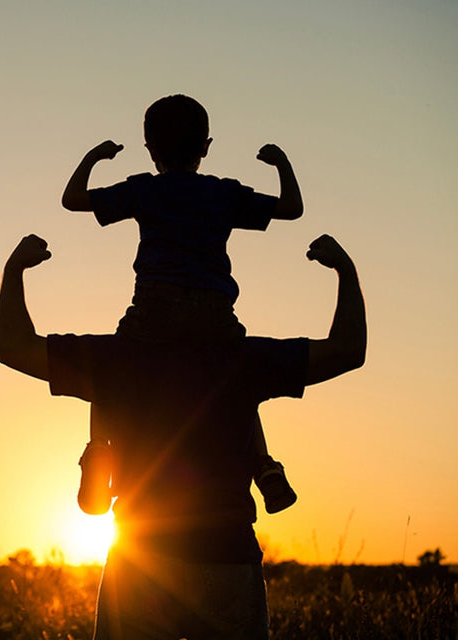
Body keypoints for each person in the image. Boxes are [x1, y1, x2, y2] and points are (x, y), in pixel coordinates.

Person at [0, 232, 366, 639]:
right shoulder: (242, 358)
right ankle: (266, 468)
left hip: (141, 562)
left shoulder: (115, 358)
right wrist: (344, 271)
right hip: (229, 555)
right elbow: (347, 349)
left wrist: (15, 269)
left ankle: (98, 453)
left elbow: (13, 347)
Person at [61, 94, 304, 515]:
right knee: (239, 384)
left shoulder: (145, 188)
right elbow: (291, 209)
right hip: (214, 312)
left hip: (155, 307)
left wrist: (95, 157)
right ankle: (263, 465)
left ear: (149, 148)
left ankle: (100, 451)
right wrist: (281, 164)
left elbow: (73, 199)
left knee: (106, 370)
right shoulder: (223, 193)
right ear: (206, 146)